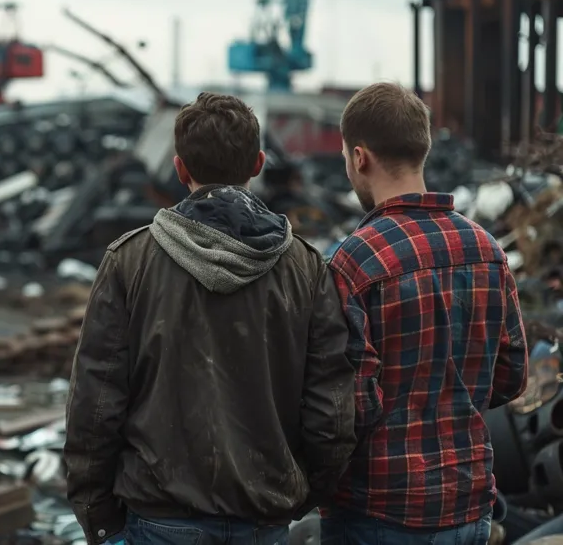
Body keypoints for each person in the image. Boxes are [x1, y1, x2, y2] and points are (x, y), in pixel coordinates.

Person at [64, 92, 357, 545]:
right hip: (264, 518)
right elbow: (331, 408)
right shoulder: (306, 267)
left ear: (180, 168)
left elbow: (96, 402)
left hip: (158, 517)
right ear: (258, 163)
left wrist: (96, 513)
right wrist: (298, 493)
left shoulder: (130, 261)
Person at [322, 82, 529, 544]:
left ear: (359, 157)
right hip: (468, 503)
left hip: (379, 508)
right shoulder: (487, 250)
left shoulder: (355, 261)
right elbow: (511, 376)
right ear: (424, 149)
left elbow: (349, 404)